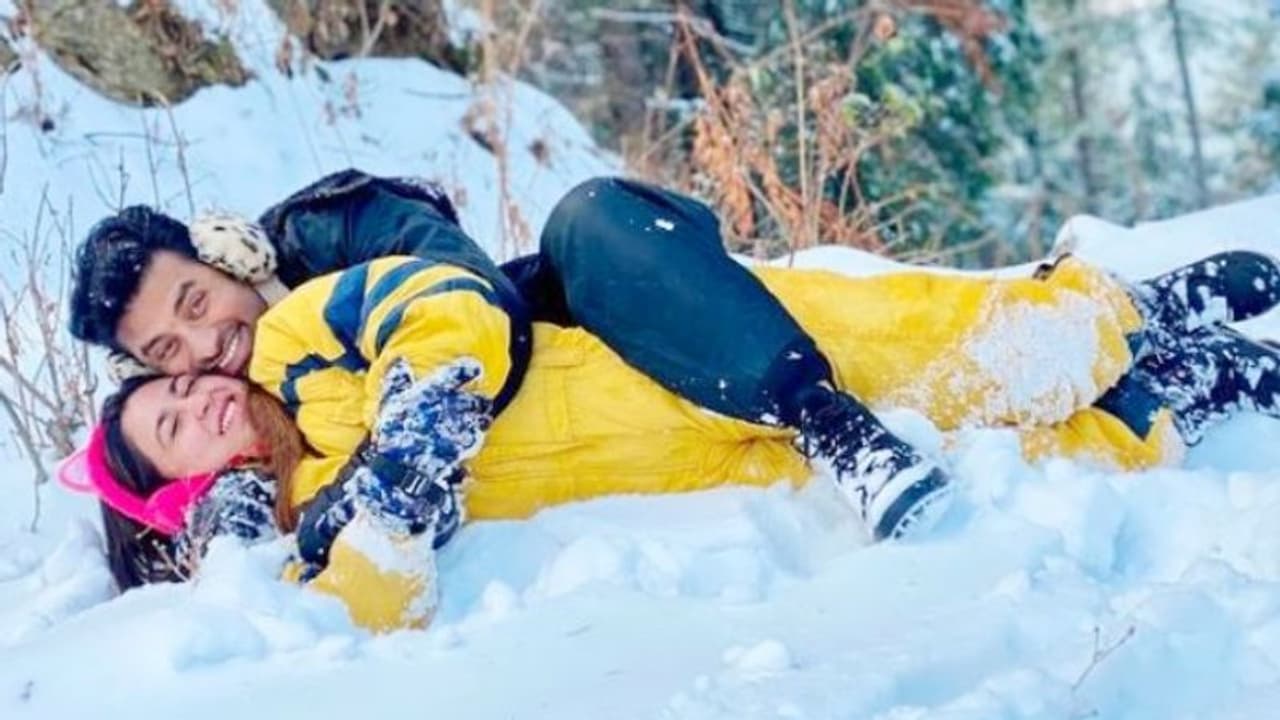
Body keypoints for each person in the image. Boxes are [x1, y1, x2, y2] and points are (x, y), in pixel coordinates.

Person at [62, 241, 1280, 631]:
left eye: (183, 375)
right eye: (170, 416)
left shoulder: (297, 347)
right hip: (710, 456)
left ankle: (1127, 313)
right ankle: (1182, 386)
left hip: (681, 351)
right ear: (191, 488)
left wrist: (419, 420)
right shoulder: (306, 529)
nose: (201, 391)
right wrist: (272, 537)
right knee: (980, 438)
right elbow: (375, 598)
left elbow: (434, 302)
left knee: (933, 347)